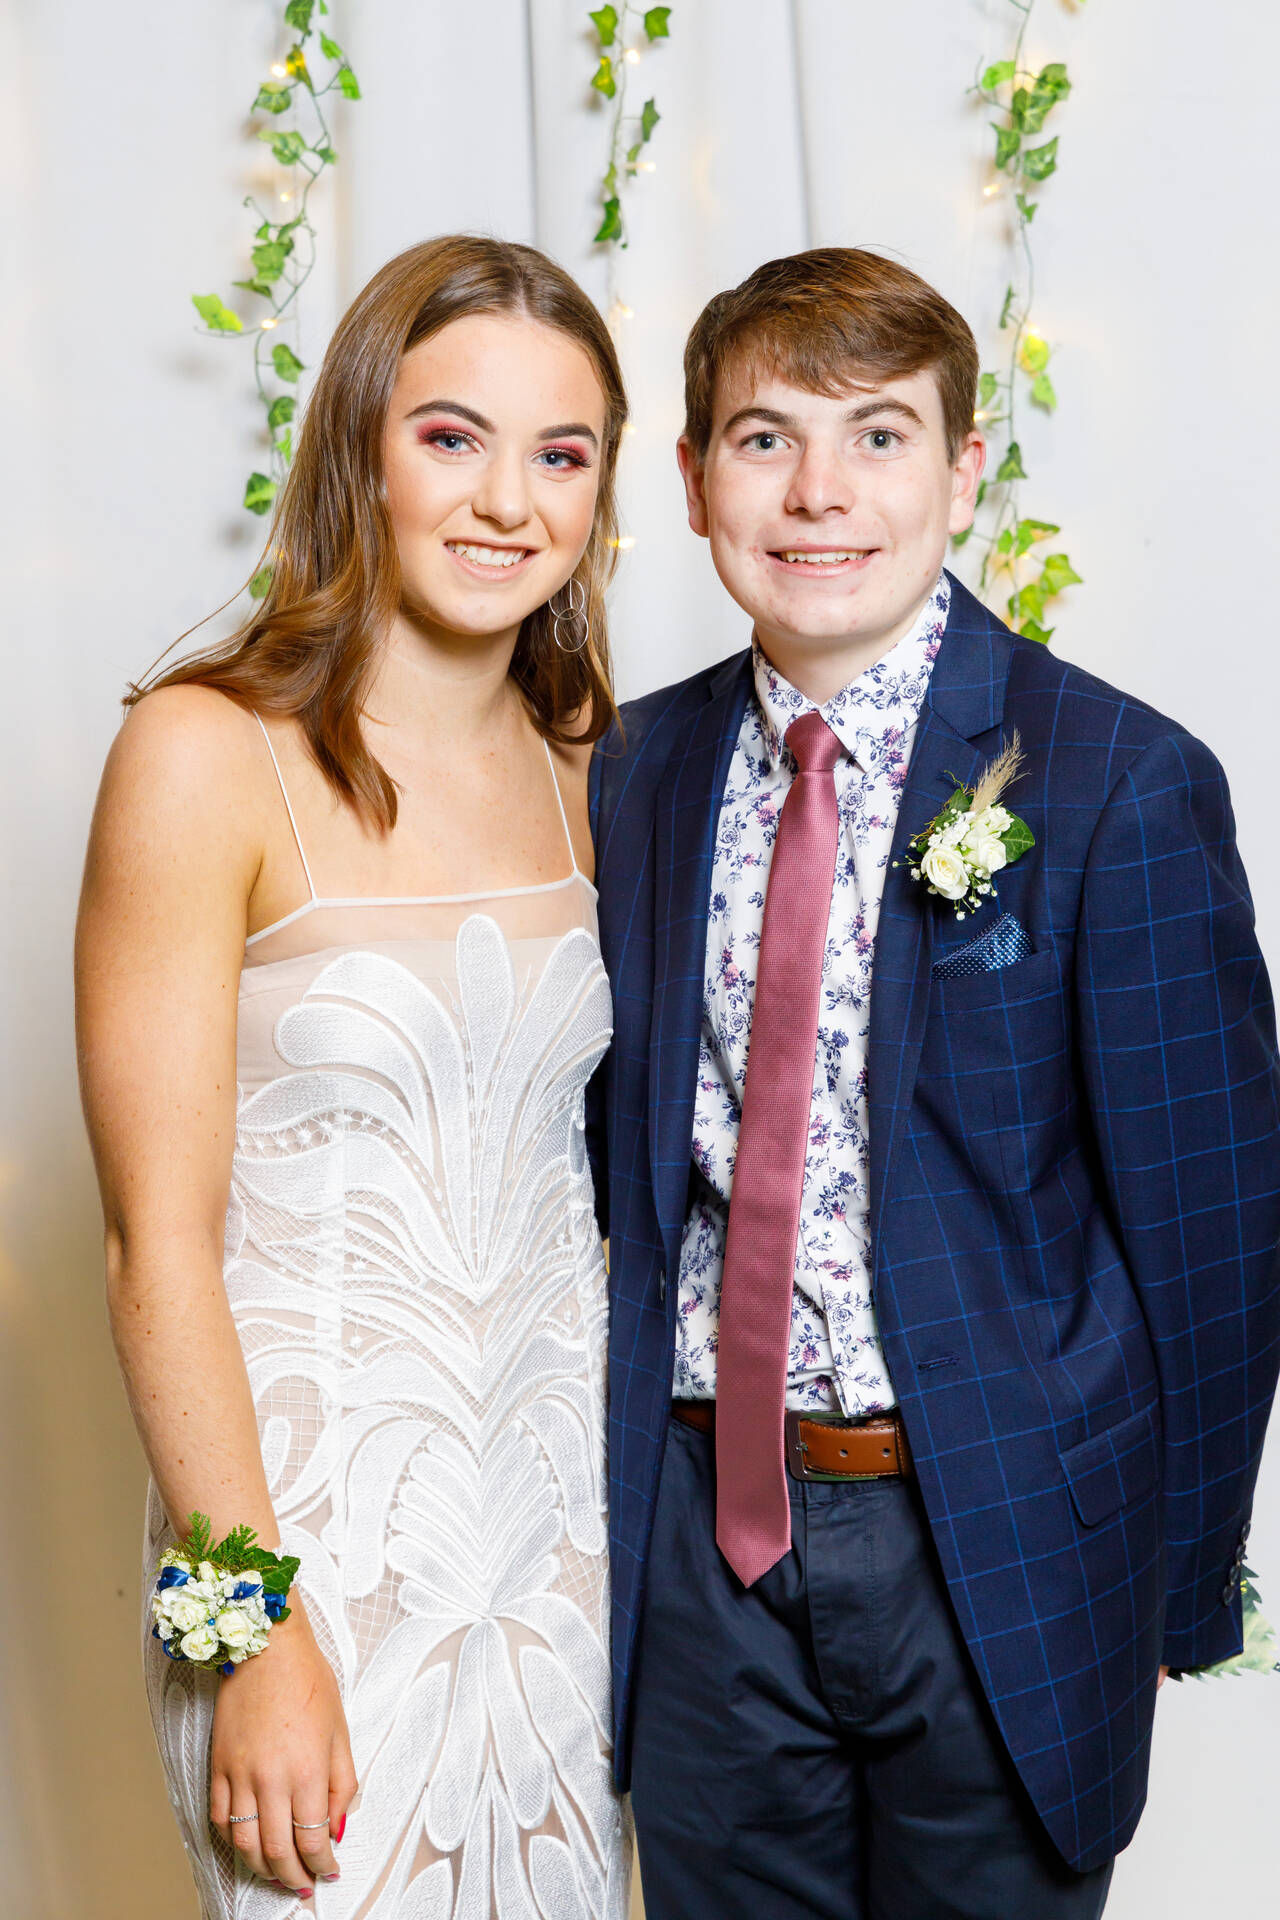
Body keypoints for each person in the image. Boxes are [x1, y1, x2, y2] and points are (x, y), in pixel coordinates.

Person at [587, 246, 1280, 1918]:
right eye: (765, 439)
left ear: (964, 473)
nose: (820, 492)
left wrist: (1177, 1582)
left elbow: (1216, 1236)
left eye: (879, 436)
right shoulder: (635, 770)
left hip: (997, 1537)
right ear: (690, 479)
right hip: (697, 1540)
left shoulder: (1116, 777)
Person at [77, 235, 631, 1918]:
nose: (507, 502)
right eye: (453, 438)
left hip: (568, 1558)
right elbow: (153, 1249)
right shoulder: (201, 752)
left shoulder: (591, 757)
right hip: (301, 1558)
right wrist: (248, 1637)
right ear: (360, 447)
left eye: (561, 455)